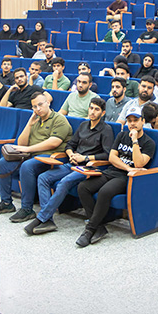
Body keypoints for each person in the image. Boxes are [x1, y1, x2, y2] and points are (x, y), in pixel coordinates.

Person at [25, 97, 114, 235]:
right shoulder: (83, 125)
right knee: (43, 177)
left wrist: (85, 158)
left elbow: (108, 154)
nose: (92, 112)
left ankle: (41, 218)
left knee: (64, 181)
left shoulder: (106, 130)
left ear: (102, 113)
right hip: (73, 163)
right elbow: (70, 145)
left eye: (96, 109)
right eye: (91, 108)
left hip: (89, 167)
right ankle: (48, 220)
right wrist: (71, 154)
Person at [76, 109, 156, 247]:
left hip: (127, 178)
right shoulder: (121, 135)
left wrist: (135, 141)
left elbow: (139, 164)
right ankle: (99, 226)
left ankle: (90, 230)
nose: (132, 124)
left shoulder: (149, 143)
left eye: (136, 120)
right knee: (83, 187)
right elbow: (112, 157)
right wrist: (128, 167)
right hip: (113, 171)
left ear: (143, 121)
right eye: (129, 121)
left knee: (105, 192)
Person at [0, 90, 73, 221]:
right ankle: (6, 203)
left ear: (48, 103)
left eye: (40, 105)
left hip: (51, 158)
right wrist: (29, 124)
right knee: (3, 163)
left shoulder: (59, 119)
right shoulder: (36, 120)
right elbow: (21, 143)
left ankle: (27, 209)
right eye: (34, 107)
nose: (38, 109)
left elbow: (54, 142)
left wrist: (28, 149)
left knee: (27, 166)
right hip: (32, 157)